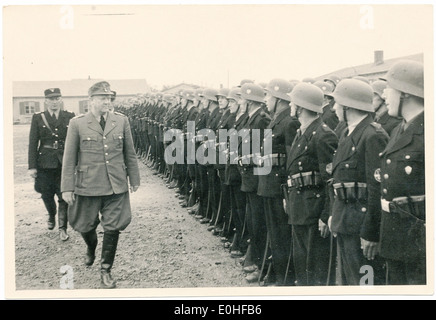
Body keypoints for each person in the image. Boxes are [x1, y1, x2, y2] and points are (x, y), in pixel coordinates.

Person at [61, 81, 140, 289]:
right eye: (103, 98)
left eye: (109, 98)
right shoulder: (77, 123)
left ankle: (106, 270)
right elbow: (69, 159)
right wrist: (66, 187)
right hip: (88, 185)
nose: (107, 101)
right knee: (85, 225)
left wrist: (134, 178)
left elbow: (129, 152)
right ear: (91, 100)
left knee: (113, 227)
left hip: (116, 184)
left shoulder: (121, 121)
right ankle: (91, 246)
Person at [328, 79, 389, 285]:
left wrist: (371, 232)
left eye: (337, 103)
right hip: (346, 221)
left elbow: (377, 188)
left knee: (364, 284)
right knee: (349, 280)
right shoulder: (348, 132)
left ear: (347, 106)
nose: (334, 108)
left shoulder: (372, 135)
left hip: (361, 227)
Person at [378, 60, 425, 285]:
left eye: (389, 88)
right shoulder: (400, 128)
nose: (385, 95)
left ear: (404, 93)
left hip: (419, 242)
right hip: (395, 236)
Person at [285, 82, 337, 286]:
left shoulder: (323, 135)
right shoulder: (302, 132)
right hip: (299, 207)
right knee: (302, 264)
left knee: (316, 268)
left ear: (301, 106)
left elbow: (330, 181)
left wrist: (326, 215)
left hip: (314, 212)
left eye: (293, 102)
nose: (290, 105)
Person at [257, 78, 299, 286]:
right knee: (274, 234)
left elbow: (292, 159)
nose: (265, 100)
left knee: (281, 235)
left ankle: (284, 279)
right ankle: (277, 273)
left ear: (279, 98)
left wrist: (287, 190)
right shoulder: (276, 120)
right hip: (268, 185)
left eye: (268, 95)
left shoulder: (289, 122)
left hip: (278, 188)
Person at [28, 88, 75, 241]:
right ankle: (51, 214)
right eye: (51, 99)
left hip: (64, 162)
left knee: (64, 195)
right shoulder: (38, 118)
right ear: (46, 101)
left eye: (57, 98)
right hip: (44, 163)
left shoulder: (69, 116)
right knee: (46, 194)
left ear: (61, 100)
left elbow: (74, 142)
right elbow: (33, 143)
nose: (54, 102)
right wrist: (32, 166)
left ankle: (63, 228)